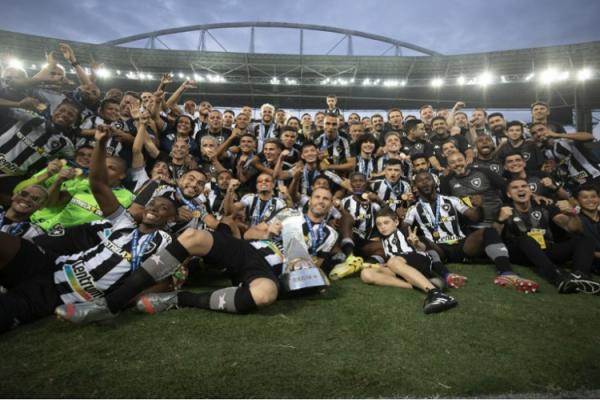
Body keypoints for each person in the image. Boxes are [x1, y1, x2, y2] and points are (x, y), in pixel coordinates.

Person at [56, 187, 339, 322]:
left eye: (327, 199)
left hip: (271, 273)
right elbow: (251, 234)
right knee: (192, 236)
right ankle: (109, 305)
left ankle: (178, 298)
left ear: (330, 206)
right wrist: (266, 230)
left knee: (265, 295)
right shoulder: (287, 215)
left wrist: (306, 266)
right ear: (310, 199)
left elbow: (317, 269)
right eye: (318, 197)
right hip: (249, 252)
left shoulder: (331, 235)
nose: (321, 202)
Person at [0, 126, 177, 333]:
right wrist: (100, 143)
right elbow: (98, 183)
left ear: (171, 219)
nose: (154, 207)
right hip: (51, 264)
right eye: (152, 203)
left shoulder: (164, 243)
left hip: (61, 294)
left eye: (163, 208)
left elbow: (164, 282)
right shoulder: (123, 222)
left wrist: (113, 304)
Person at [406, 171, 539, 293]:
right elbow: (405, 227)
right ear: (416, 186)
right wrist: (402, 221)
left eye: (428, 179)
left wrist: (478, 206)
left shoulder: (452, 200)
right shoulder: (413, 209)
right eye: (420, 181)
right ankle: (447, 275)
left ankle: (507, 273)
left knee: (488, 231)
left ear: (434, 182)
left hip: (462, 245)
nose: (424, 182)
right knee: (422, 240)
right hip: (439, 249)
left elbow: (474, 217)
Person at [497, 178, 599, 294]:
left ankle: (581, 276)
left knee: (584, 240)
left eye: (524, 186)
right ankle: (556, 276)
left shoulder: (544, 207)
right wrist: (500, 220)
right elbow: (495, 237)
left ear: (530, 191)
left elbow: (572, 228)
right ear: (509, 194)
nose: (520, 189)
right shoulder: (505, 209)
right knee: (525, 239)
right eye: (515, 188)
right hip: (520, 253)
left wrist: (572, 214)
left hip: (546, 250)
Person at [359, 208, 459, 314]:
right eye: (379, 224)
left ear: (396, 222)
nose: (382, 227)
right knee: (366, 274)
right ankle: (422, 284)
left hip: (419, 259)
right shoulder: (384, 239)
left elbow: (424, 248)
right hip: (399, 265)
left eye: (386, 222)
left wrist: (416, 243)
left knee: (393, 262)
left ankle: (436, 294)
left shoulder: (404, 231)